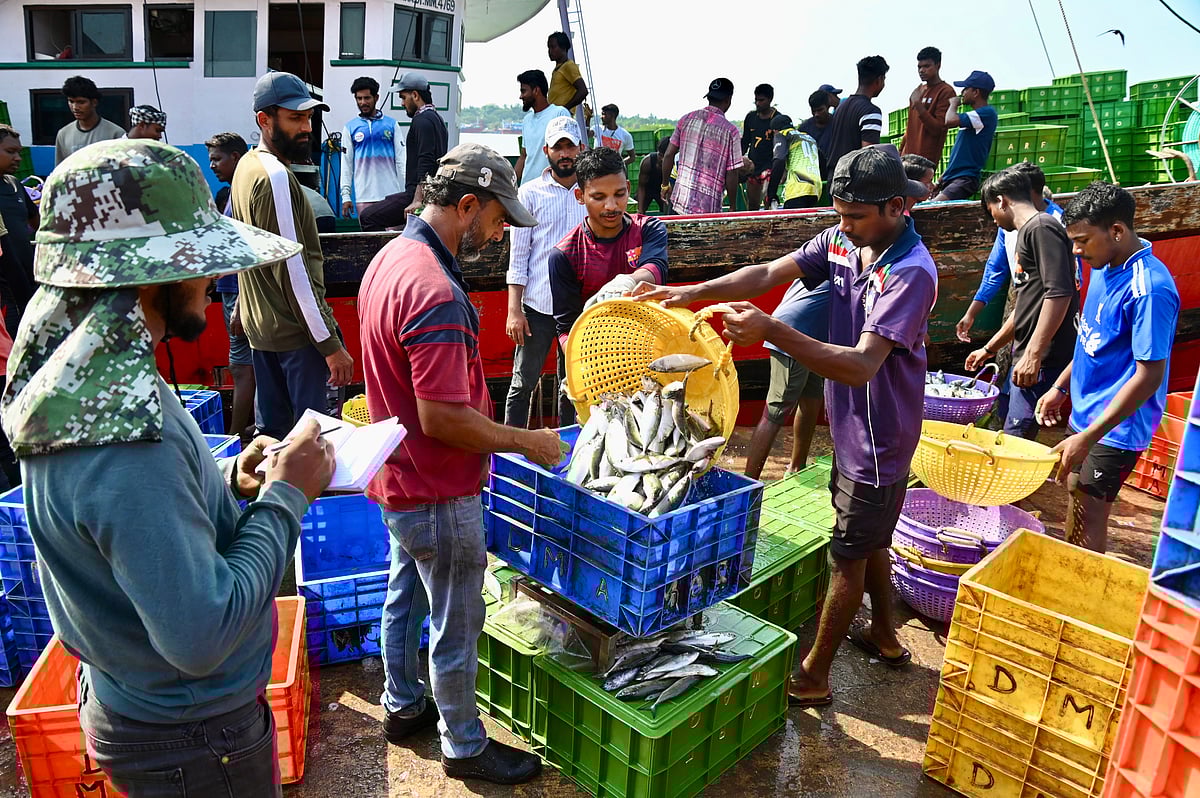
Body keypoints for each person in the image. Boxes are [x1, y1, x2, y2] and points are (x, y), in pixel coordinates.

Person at [0, 138, 334, 796]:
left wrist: (230, 484)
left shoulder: (78, 369)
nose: (214, 280)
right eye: (201, 262)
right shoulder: (126, 435)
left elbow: (125, 525)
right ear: (150, 274)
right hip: (192, 739)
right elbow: (200, 635)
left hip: (139, 703)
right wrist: (287, 496)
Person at [632, 144, 935, 707]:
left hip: (880, 436)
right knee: (869, 538)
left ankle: (815, 675)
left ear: (897, 207)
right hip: (850, 425)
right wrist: (692, 292)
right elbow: (770, 272)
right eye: (838, 215)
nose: (843, 227)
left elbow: (862, 363)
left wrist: (772, 331)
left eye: (855, 217)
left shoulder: (910, 273)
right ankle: (886, 636)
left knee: (846, 553)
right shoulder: (846, 240)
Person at [358, 142, 558, 785]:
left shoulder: (388, 258)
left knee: (404, 594)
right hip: (440, 486)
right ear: (467, 204)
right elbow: (442, 417)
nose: (501, 235)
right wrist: (528, 441)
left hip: (398, 478)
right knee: (456, 619)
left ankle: (401, 704)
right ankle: (464, 745)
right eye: (499, 220)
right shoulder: (436, 290)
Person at [1035, 182, 1180, 553]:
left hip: (1116, 424)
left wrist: (1088, 437)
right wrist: (1060, 387)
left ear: (1117, 231)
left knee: (1090, 508)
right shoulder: (1103, 264)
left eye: (1082, 240)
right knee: (1074, 488)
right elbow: (1091, 339)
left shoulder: (1149, 289)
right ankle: (1073, 567)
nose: (1076, 250)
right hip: (1086, 408)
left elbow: (1149, 376)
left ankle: (1080, 588)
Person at [231, 71, 354, 439]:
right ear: (264, 120)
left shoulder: (245, 167)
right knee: (312, 442)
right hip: (297, 339)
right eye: (295, 118)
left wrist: (240, 307)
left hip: (263, 332)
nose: (307, 128)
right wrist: (330, 346)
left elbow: (245, 251)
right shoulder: (276, 178)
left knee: (272, 440)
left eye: (309, 118)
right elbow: (293, 270)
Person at [965, 168, 1079, 440]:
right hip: (1030, 354)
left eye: (990, 209)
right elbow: (1028, 303)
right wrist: (990, 348)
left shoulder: (1041, 228)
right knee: (1014, 434)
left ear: (1002, 201)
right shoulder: (1030, 230)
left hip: (1044, 358)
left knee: (1015, 441)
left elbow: (1059, 293)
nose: (993, 219)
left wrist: (1034, 354)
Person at [505, 117, 588, 429]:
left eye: (570, 146)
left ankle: (567, 450)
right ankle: (511, 452)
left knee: (574, 387)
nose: (565, 153)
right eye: (558, 147)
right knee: (522, 384)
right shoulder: (529, 194)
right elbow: (519, 256)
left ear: (581, 148)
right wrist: (515, 310)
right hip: (537, 306)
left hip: (579, 309)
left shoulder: (591, 193)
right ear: (547, 151)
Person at [549, 146, 669, 344]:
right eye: (599, 197)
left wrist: (627, 281)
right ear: (580, 196)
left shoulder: (648, 229)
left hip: (646, 342)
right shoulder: (565, 254)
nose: (611, 206)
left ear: (628, 189)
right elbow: (566, 328)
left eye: (619, 194)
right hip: (593, 348)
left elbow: (656, 267)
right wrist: (576, 362)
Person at [956, 160, 1064, 342]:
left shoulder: (1052, 226)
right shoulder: (1009, 225)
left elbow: (1058, 291)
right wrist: (972, 312)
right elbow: (995, 269)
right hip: (1023, 311)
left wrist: (1034, 350)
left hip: (1050, 326)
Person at [206, 132, 257, 441]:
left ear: (236, 157)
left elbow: (249, 248)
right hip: (232, 288)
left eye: (217, 159)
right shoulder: (233, 191)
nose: (212, 165)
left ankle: (235, 436)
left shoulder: (240, 192)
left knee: (241, 366)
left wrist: (241, 300)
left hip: (237, 290)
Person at [359, 74, 449, 231]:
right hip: (432, 193)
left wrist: (417, 200)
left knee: (368, 217)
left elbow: (426, 160)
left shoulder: (422, 120)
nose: (402, 103)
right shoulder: (437, 119)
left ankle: (387, 256)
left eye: (403, 97)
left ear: (415, 95)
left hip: (418, 193)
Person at [661, 78, 743, 215]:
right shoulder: (731, 131)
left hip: (679, 203)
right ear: (728, 100)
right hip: (708, 208)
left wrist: (664, 185)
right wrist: (733, 206)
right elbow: (732, 172)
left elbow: (668, 155)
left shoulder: (685, 119)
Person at [339, 77, 404, 219]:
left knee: (392, 240)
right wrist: (346, 196)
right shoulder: (350, 127)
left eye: (367, 98)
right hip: (363, 197)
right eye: (359, 98)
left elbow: (401, 161)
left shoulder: (392, 125)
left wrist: (409, 193)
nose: (363, 102)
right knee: (369, 240)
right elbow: (346, 164)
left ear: (376, 97)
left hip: (391, 196)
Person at [932, 70, 998, 201]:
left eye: (966, 89)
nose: (962, 93)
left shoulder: (986, 113)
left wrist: (953, 105)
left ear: (976, 92)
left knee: (932, 206)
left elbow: (949, 121)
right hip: (954, 177)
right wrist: (942, 179)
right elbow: (960, 152)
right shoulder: (976, 117)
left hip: (964, 178)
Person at [823, 57, 889, 181]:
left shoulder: (841, 108)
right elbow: (868, 154)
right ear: (879, 80)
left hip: (834, 176)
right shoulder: (870, 111)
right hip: (853, 180)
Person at [0, 126, 37, 334]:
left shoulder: (15, 185)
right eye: (10, 152)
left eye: (19, 153)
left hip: (26, 279)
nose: (18, 158)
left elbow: (36, 222)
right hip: (4, 286)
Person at [900, 47, 955, 170]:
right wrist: (899, 153)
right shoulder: (918, 91)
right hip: (906, 159)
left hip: (925, 163)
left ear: (938, 65)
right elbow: (909, 129)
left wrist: (919, 106)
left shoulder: (946, 91)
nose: (922, 70)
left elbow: (938, 129)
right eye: (919, 67)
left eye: (926, 66)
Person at [514, 70, 570, 186]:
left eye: (523, 91)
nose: (521, 96)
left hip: (551, 189)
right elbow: (524, 156)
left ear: (536, 90)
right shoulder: (526, 120)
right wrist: (509, 183)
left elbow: (567, 153)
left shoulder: (559, 114)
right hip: (527, 190)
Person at [54, 76, 124, 164]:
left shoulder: (116, 134)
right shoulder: (63, 134)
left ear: (94, 102)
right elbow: (60, 171)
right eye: (71, 101)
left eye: (81, 102)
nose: (75, 107)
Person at [767, 115, 822, 210]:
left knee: (791, 224)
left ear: (775, 130)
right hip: (815, 189)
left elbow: (779, 160)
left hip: (798, 188)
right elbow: (822, 161)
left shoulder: (782, 134)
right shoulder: (808, 137)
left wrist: (771, 192)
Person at [743, 84, 781, 211]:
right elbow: (745, 141)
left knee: (768, 201)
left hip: (770, 167)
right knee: (752, 205)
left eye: (761, 100)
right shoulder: (750, 118)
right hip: (753, 166)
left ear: (770, 100)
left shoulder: (777, 119)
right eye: (756, 100)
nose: (758, 103)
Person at [547, 31, 588, 112]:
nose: (550, 51)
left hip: (561, 117)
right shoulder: (559, 68)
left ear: (563, 47)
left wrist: (565, 108)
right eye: (549, 47)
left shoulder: (568, 66)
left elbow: (583, 91)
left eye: (553, 47)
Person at [637, 137, 673, 215]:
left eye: (665, 157)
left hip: (665, 190)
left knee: (668, 211)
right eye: (660, 155)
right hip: (648, 189)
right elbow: (641, 186)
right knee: (640, 209)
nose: (662, 160)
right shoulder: (647, 162)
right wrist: (640, 210)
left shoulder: (675, 165)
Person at [799, 90, 835, 159]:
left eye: (820, 110)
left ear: (827, 107)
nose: (816, 114)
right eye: (813, 111)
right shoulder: (804, 129)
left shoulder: (837, 124)